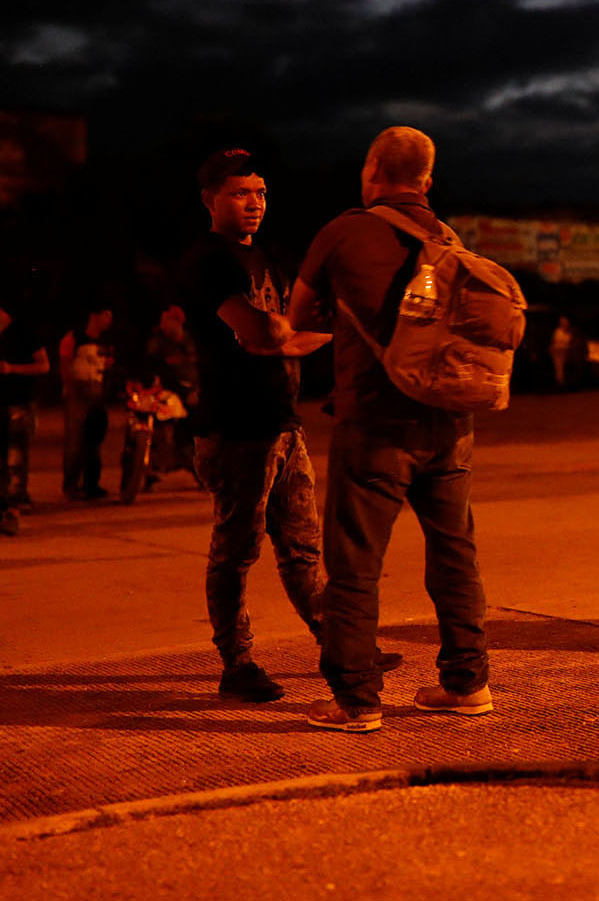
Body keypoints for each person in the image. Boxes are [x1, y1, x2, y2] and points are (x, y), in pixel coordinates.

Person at [291, 126, 487, 732]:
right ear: (428, 180)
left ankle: (356, 700)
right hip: (450, 423)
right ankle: (467, 683)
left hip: (375, 425)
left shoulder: (344, 231)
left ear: (372, 170)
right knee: (454, 553)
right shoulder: (450, 240)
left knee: (354, 564)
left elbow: (298, 316)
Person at [180, 148, 359, 703]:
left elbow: (288, 335)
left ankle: (342, 646)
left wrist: (286, 334)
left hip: (284, 426)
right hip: (234, 430)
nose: (254, 203)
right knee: (235, 552)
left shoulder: (268, 261)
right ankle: (236, 665)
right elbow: (260, 328)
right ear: (211, 200)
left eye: (260, 192)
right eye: (240, 193)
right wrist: (281, 334)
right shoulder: (208, 262)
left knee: (303, 548)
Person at [0, 286, 49, 535]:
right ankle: (0, 512)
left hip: (20, 404)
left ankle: (13, 513)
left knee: (16, 460)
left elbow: (44, 366)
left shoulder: (23, 332)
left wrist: (11, 368)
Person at [58, 304, 115, 499]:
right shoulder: (75, 337)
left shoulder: (106, 342)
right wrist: (71, 390)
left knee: (94, 440)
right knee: (75, 441)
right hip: (78, 392)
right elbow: (65, 364)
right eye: (106, 315)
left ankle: (91, 484)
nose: (109, 320)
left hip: (97, 392)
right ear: (95, 316)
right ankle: (71, 486)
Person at [145, 304, 201, 479]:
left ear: (177, 321)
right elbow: (148, 367)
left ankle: (197, 469)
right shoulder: (158, 343)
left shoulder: (192, 342)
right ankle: (150, 468)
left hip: (193, 391)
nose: (163, 324)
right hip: (169, 392)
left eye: (166, 320)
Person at [549, 314, 575, 389]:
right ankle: (560, 383)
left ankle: (564, 383)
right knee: (559, 367)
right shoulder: (558, 332)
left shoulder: (568, 333)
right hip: (558, 351)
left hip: (566, 351)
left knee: (564, 368)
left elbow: (569, 342)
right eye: (562, 322)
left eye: (565, 322)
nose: (564, 323)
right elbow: (554, 341)